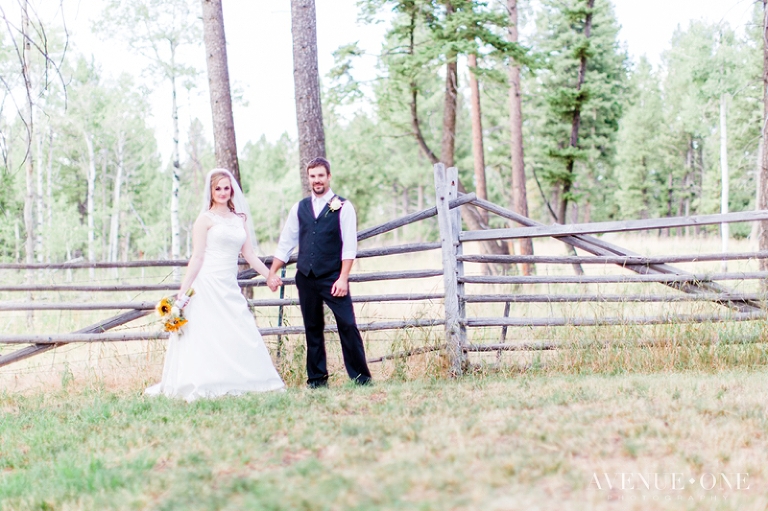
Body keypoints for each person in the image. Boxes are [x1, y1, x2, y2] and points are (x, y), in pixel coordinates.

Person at [146, 168, 285, 401]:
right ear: (211, 192)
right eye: (217, 188)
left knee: (240, 328)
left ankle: (245, 379)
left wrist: (269, 275)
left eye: (226, 188)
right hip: (207, 283)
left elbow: (249, 254)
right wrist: (183, 292)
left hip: (229, 284)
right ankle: (207, 381)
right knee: (208, 333)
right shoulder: (204, 220)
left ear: (232, 190)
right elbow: (198, 257)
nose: (222, 192)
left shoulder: (240, 219)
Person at [268, 157, 372, 388]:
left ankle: (361, 378)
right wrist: (272, 272)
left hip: (333, 277)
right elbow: (286, 243)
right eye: (313, 176)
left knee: (347, 324)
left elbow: (349, 246)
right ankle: (316, 380)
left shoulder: (343, 206)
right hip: (306, 277)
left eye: (321, 175)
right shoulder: (300, 208)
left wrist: (343, 278)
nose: (317, 180)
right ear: (309, 178)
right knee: (312, 328)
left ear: (328, 177)